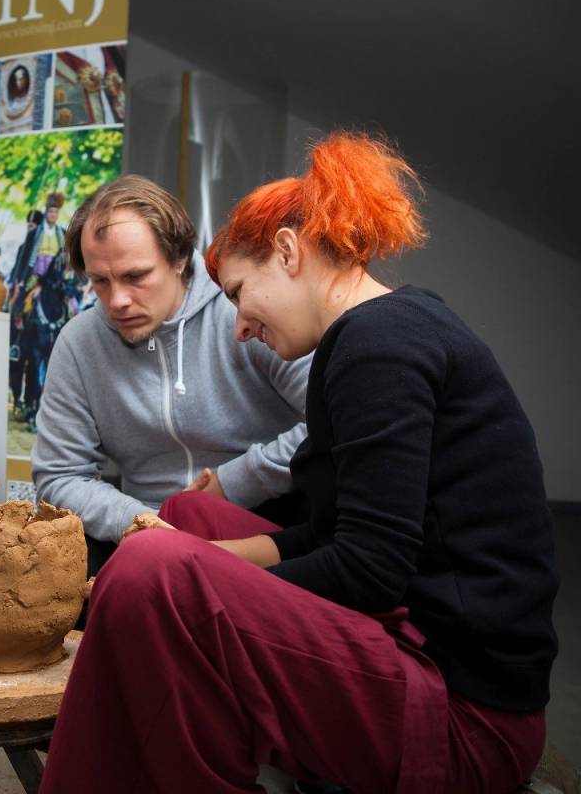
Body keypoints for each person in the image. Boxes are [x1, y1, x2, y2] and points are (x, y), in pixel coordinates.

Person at [39, 134, 558, 794]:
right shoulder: (375, 335)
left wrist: (182, 574)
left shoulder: (380, 346)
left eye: (237, 294)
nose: (239, 328)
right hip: (421, 652)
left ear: (287, 252)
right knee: (184, 521)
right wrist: (193, 554)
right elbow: (339, 535)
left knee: (153, 568)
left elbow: (368, 569)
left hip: (462, 715)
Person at [33, 174, 310, 589]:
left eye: (135, 276)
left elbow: (331, 422)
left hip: (267, 516)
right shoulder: (79, 342)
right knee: (54, 567)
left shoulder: (244, 309)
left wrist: (231, 484)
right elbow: (59, 477)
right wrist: (143, 523)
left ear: (179, 260)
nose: (117, 301)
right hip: (143, 527)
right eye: (100, 281)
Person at [7, 193, 70, 431]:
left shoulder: (63, 234)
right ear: (46, 212)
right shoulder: (35, 233)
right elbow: (25, 258)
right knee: (24, 305)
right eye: (51, 211)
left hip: (55, 278)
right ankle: (18, 341)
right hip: (36, 277)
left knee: (71, 308)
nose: (53, 215)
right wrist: (20, 282)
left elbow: (67, 259)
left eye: (56, 212)